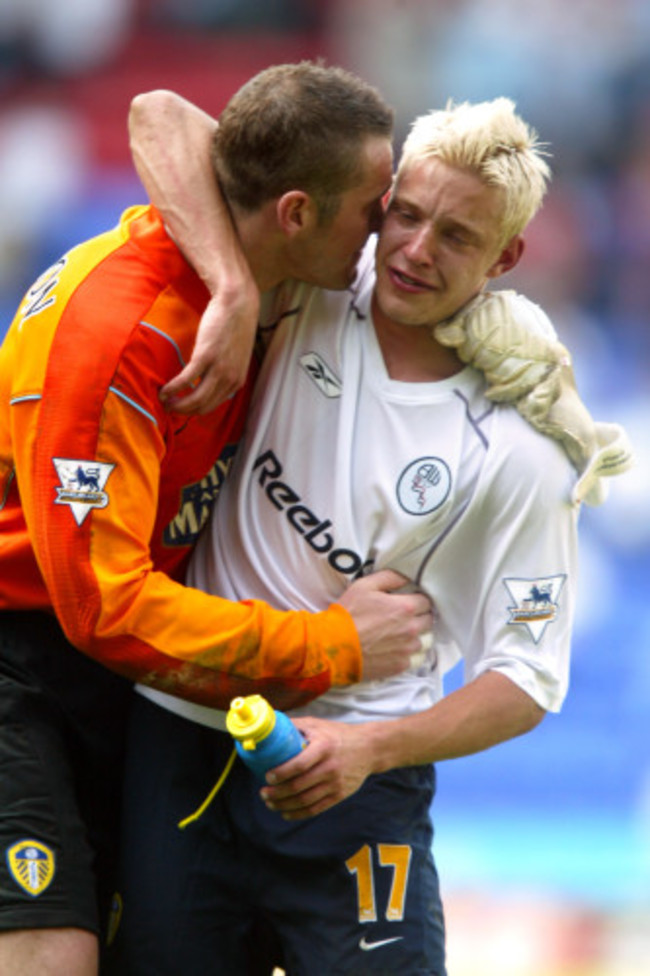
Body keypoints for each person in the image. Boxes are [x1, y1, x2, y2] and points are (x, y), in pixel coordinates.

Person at [109, 91, 632, 975]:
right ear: (380, 202)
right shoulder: (307, 283)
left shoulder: (521, 448)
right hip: (183, 736)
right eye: (409, 216)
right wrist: (234, 289)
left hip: (356, 782)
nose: (418, 252)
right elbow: (160, 115)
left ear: (506, 255)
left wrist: (367, 749)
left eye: (459, 237)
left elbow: (527, 678)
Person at [0, 62, 442, 976]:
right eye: (372, 207)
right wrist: (330, 646)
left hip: (129, 687)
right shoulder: (119, 335)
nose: (382, 227)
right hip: (22, 661)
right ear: (295, 215)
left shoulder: (263, 274)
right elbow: (105, 611)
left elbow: (167, 114)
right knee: (50, 952)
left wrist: (235, 291)